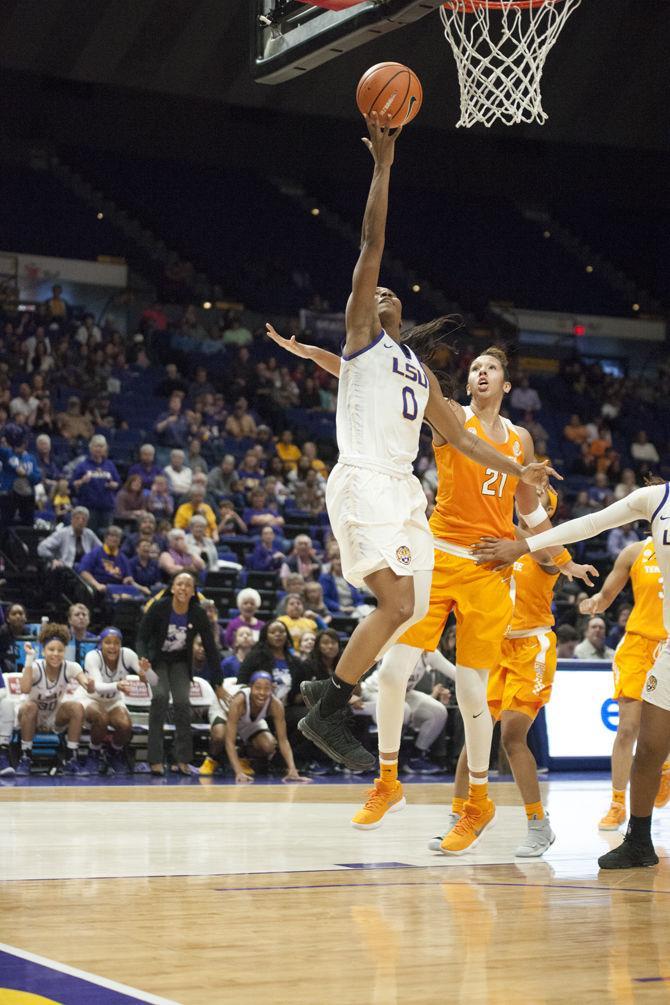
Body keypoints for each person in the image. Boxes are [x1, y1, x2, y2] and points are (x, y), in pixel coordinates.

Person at [266, 115, 554, 785]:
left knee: (417, 607)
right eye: (378, 289)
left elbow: (460, 439)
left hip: (404, 497)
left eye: (395, 292)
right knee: (397, 605)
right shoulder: (363, 333)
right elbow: (371, 241)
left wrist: (519, 466)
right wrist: (385, 166)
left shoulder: (417, 371)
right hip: (365, 480)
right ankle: (329, 705)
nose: (384, 290)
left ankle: (346, 693)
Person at [472, 480, 670, 869]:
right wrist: (524, 545)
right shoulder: (657, 497)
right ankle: (639, 840)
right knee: (648, 747)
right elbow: (590, 524)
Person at [578, 537, 670, 831]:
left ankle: (664, 768)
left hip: (666, 646)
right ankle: (617, 804)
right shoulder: (635, 551)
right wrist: (595, 602)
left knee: (659, 730)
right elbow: (606, 596)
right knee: (627, 727)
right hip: (636, 645)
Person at [136, 571, 221, 776]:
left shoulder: (197, 613)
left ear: (193, 592)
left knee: (183, 702)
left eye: (188, 585)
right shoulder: (160, 607)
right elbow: (141, 637)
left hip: (180, 662)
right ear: (173, 588)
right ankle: (155, 759)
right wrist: (142, 660)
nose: (183, 588)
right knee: (160, 697)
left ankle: (181, 759)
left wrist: (218, 682)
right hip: (156, 662)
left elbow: (210, 647)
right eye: (179, 584)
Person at [16, 623, 95, 776]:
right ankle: (25, 757)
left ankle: (71, 758)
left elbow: (88, 687)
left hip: (53, 715)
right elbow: (24, 689)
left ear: (65, 651)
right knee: (30, 706)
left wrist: (91, 685)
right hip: (32, 715)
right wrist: (29, 659)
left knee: (77, 707)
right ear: (43, 651)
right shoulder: (36, 667)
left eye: (60, 650)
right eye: (51, 649)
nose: (56, 654)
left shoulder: (72, 667)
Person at [81, 628, 149, 774]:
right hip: (90, 699)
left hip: (113, 701)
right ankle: (94, 753)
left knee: (125, 725)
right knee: (101, 718)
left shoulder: (128, 654)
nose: (112, 646)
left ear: (121, 645)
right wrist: (117, 685)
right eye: (108, 643)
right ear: (101, 644)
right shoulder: (92, 656)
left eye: (116, 643)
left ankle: (113, 752)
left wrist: (146, 673)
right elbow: (98, 687)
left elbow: (152, 680)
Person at [224, 671, 310, 784]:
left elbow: (283, 740)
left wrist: (292, 769)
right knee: (219, 734)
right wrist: (239, 772)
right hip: (224, 712)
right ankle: (214, 758)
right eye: (258, 688)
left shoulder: (276, 705)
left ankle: (243, 754)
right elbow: (230, 741)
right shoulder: (239, 702)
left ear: (272, 689)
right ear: (250, 687)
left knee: (268, 746)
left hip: (249, 720)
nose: (262, 693)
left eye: (267, 688)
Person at [236, 620, 301, 706]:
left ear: (287, 635)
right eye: (272, 632)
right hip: (259, 707)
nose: (278, 634)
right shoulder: (254, 657)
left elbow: (298, 690)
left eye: (281, 631)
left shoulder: (295, 661)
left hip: (288, 707)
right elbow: (241, 683)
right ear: (265, 636)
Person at [71, 435, 120, 534]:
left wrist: (113, 485)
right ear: (90, 448)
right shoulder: (83, 465)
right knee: (88, 534)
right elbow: (72, 484)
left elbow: (118, 483)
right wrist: (82, 481)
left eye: (101, 446)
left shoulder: (109, 465)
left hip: (107, 508)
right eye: (96, 446)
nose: (98, 449)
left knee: (107, 535)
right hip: (89, 508)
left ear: (105, 449)